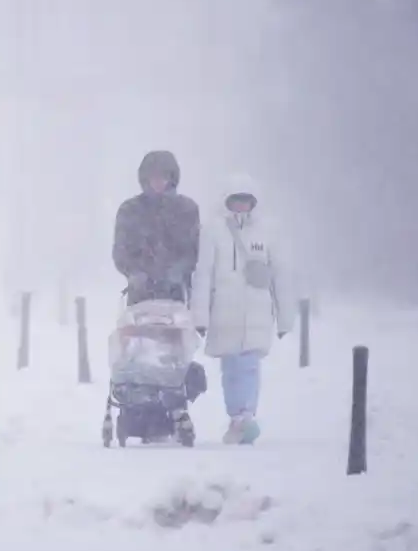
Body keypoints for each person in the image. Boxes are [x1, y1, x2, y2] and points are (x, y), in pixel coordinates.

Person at [190, 173, 295, 445]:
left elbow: (281, 275)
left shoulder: (268, 232)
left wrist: (285, 317)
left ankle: (245, 415)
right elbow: (203, 274)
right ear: (227, 201)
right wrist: (199, 315)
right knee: (231, 366)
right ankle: (237, 415)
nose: (241, 206)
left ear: (254, 203)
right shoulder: (213, 230)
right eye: (236, 200)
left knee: (249, 364)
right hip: (224, 312)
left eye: (246, 201)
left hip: (257, 312)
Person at [112, 150, 201, 306]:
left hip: (177, 295)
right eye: (154, 177)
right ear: (145, 179)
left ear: (172, 178)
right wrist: (135, 273)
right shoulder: (130, 210)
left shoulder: (187, 210)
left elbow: (194, 250)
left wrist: (179, 271)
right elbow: (121, 250)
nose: (159, 181)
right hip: (139, 295)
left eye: (164, 176)